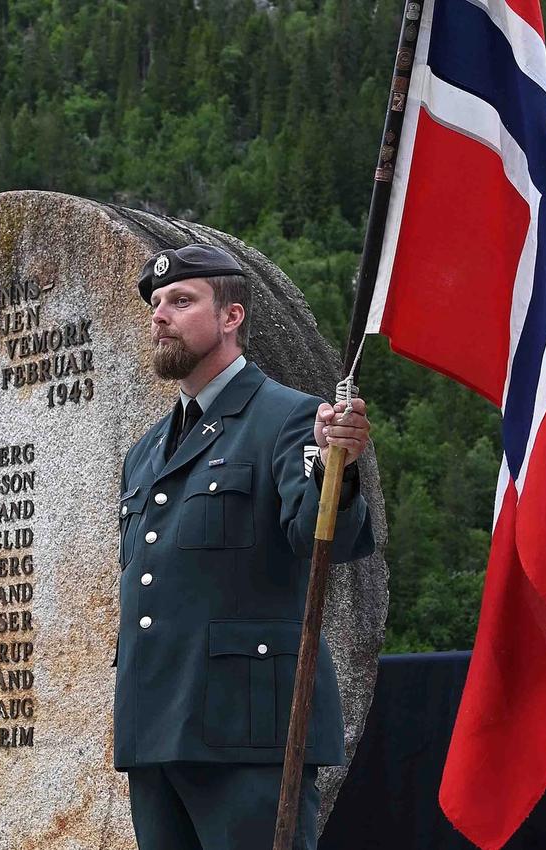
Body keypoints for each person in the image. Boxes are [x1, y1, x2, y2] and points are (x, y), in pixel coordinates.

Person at [114, 244, 376, 850]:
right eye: (156, 304)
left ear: (231, 317)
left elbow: (324, 540)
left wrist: (337, 470)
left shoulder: (287, 417)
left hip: (247, 728)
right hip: (155, 730)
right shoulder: (147, 451)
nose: (160, 316)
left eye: (182, 301)